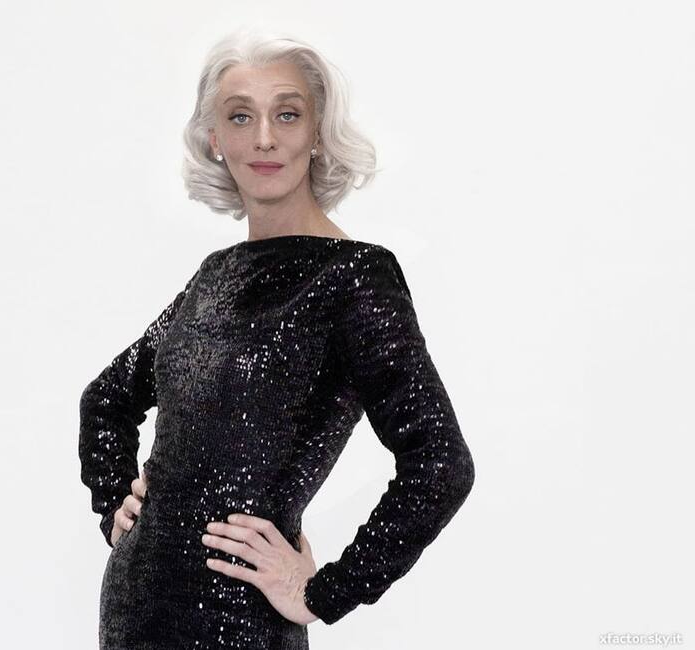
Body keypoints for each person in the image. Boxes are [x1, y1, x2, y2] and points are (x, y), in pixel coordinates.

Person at [78, 28, 475, 649]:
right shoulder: (215, 275)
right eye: (241, 116)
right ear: (215, 138)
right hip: (132, 614)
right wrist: (114, 504)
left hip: (242, 623)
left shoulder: (355, 278)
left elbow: (441, 465)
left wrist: (323, 592)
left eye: (287, 114)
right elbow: (105, 397)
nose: (264, 137)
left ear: (317, 132)